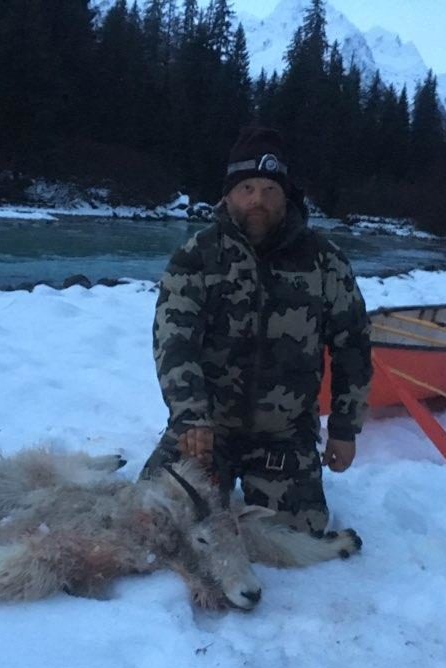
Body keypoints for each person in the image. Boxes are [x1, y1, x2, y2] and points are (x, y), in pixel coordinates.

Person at [143, 126, 372, 533]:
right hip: (205, 431)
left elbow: (352, 344)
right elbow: (173, 341)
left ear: (286, 195)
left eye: (269, 189)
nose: (257, 201)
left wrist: (343, 428)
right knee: (153, 521)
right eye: (247, 188)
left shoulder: (325, 262)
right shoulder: (197, 256)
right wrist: (191, 416)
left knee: (295, 537)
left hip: (283, 436)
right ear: (229, 193)